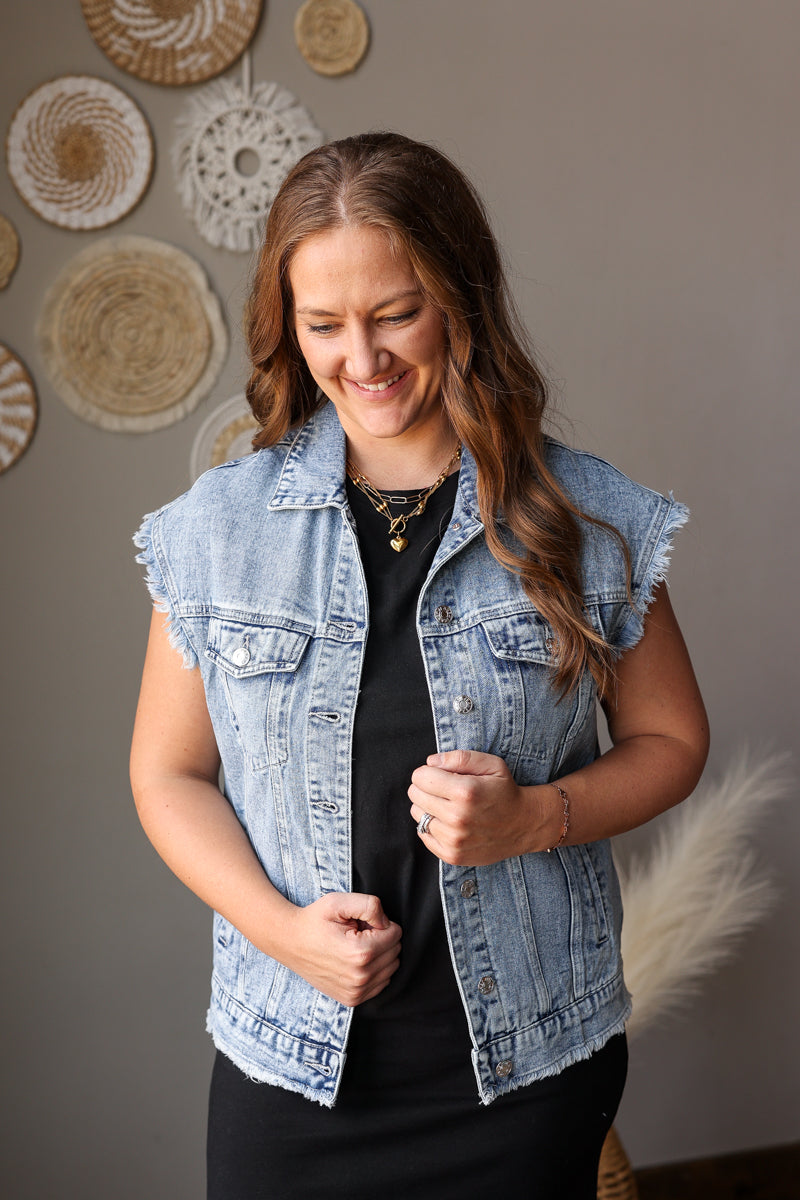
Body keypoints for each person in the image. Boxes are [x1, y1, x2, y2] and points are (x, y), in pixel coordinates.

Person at [130, 132, 709, 1199]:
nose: (363, 357)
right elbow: (164, 775)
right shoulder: (215, 532)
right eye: (322, 324)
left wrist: (537, 815)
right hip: (290, 1064)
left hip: (525, 1068)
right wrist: (284, 936)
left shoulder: (588, 521)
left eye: (395, 312)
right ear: (285, 329)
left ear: (461, 299)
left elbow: (672, 742)